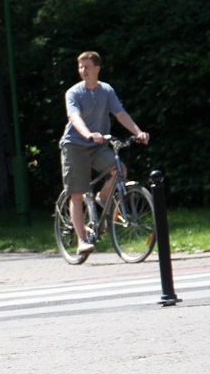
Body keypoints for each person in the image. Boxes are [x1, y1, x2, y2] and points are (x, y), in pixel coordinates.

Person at [59, 51, 149, 255]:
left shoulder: (106, 90)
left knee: (120, 171)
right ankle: (82, 241)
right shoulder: (73, 93)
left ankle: (103, 196)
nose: (83, 70)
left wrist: (138, 133)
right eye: (80, 67)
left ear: (97, 68)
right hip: (75, 145)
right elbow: (75, 117)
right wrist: (88, 134)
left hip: (97, 145)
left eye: (87, 66)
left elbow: (120, 114)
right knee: (77, 194)